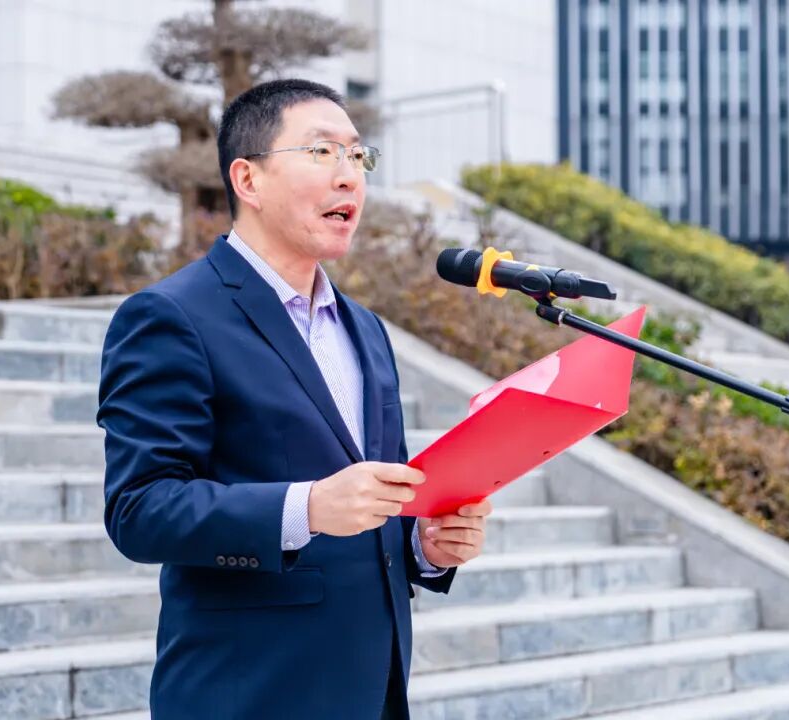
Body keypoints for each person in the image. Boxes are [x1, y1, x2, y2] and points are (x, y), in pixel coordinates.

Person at [97, 78, 493, 720]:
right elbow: (140, 510)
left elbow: (376, 503)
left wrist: (426, 545)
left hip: (371, 690)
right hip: (251, 693)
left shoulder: (365, 328)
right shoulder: (170, 315)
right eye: (322, 151)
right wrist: (306, 507)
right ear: (248, 179)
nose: (349, 175)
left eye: (358, 155)